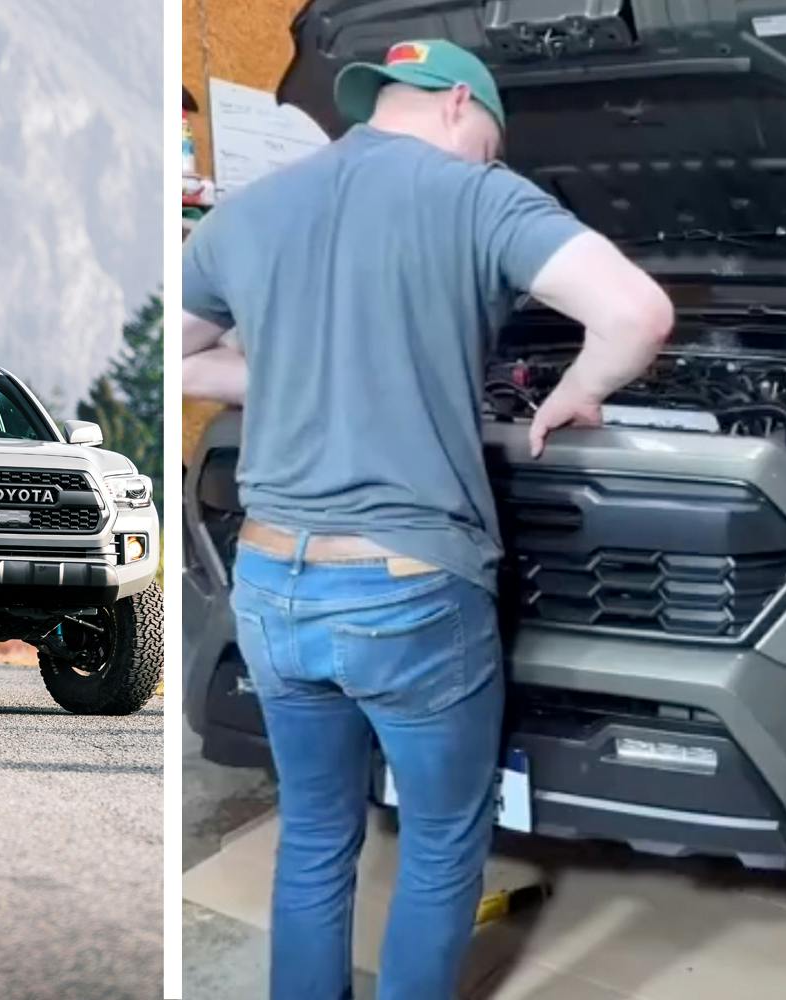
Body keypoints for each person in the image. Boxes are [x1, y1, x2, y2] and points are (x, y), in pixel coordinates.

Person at [180, 38, 673, 1000]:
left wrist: (299, 373)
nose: (492, 160)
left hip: (273, 583)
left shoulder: (252, 209)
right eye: (492, 143)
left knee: (316, 836)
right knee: (445, 843)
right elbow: (639, 315)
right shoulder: (476, 195)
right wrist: (573, 392)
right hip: (406, 587)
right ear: (458, 104)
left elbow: (181, 354)